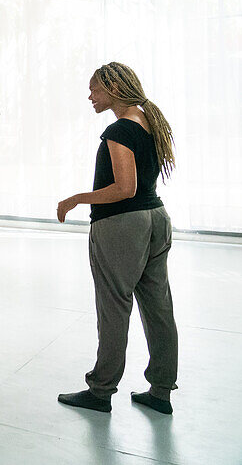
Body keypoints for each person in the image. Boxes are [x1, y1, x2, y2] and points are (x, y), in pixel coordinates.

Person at [56, 62, 178, 415]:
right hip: (156, 220)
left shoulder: (119, 130)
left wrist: (76, 198)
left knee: (114, 309)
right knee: (159, 309)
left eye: (95, 89)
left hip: (123, 227)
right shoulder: (150, 121)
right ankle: (160, 391)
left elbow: (125, 188)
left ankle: (101, 391)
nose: (90, 96)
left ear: (113, 88)